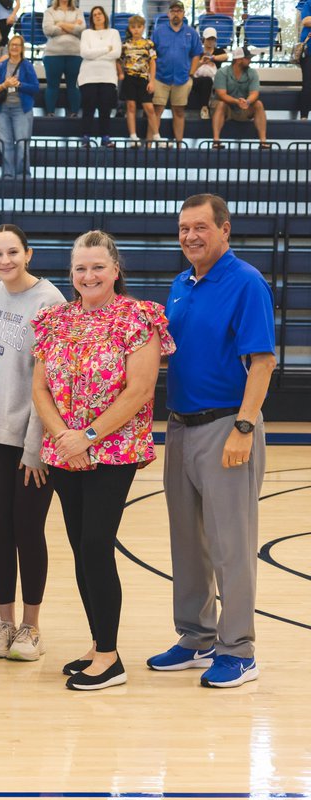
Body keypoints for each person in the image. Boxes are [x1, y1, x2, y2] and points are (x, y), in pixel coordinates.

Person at [33, 230, 173, 691]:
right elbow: (40, 388)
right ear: (70, 273)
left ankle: (111, 658)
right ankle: (98, 645)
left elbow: (140, 390)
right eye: (80, 268)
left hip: (113, 450)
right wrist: (63, 437)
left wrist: (88, 436)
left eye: (97, 266)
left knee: (95, 542)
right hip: (65, 449)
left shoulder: (137, 317)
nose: (88, 275)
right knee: (80, 546)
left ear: (115, 270)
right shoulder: (54, 319)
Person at [149, 194, 275, 689]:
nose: (190, 236)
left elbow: (262, 363)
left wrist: (244, 428)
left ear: (225, 229)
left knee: (231, 546)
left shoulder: (246, 282)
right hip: (179, 426)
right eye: (183, 228)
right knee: (187, 542)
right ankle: (195, 637)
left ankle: (238, 650)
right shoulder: (180, 285)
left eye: (201, 227)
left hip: (228, 425)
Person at [0, 224, 65, 662]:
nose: (4, 260)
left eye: (12, 252)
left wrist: (35, 446)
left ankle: (31, 626)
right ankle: (5, 622)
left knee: (28, 530)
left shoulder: (50, 302)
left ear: (29, 254)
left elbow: (50, 384)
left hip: (31, 440)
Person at [151, 0, 202, 147]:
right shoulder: (158, 31)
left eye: (178, 11)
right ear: (168, 14)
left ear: (183, 14)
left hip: (182, 79)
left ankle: (179, 145)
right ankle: (149, 145)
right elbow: (151, 55)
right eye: (173, 11)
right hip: (160, 77)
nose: (175, 14)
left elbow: (196, 54)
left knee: (179, 111)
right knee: (157, 110)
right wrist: (152, 76)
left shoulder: (191, 33)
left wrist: (191, 75)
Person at [0, 35, 40, 179]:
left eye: (17, 45)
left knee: (22, 143)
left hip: (21, 109)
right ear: (8, 47)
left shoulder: (27, 65)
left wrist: (19, 85)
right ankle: (7, 173)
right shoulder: (1, 66)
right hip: (3, 109)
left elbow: (35, 88)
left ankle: (23, 174)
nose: (14, 47)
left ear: (22, 48)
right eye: (12, 44)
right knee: (5, 143)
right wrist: (4, 85)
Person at [211, 48, 270, 149]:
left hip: (244, 107)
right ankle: (216, 140)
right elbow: (221, 94)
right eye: (247, 58)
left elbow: (254, 93)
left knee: (258, 104)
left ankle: (263, 141)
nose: (250, 60)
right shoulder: (222, 72)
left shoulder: (252, 73)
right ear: (238, 60)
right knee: (220, 104)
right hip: (227, 107)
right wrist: (236, 101)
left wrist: (247, 101)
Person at [78, 6, 121, 148]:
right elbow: (85, 53)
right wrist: (106, 49)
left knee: (105, 109)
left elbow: (116, 54)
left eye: (100, 13)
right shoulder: (86, 33)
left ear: (104, 16)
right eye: (94, 14)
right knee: (88, 108)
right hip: (88, 77)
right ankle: (85, 138)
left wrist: (95, 54)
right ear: (91, 18)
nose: (97, 16)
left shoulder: (114, 33)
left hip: (108, 77)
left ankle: (105, 138)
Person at [118, 15, 159, 146]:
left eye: (139, 27)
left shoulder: (149, 44)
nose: (136, 30)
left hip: (143, 79)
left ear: (143, 28)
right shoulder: (125, 45)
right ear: (129, 28)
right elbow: (118, 60)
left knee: (149, 108)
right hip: (129, 78)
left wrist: (152, 81)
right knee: (131, 107)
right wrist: (120, 73)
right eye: (133, 27)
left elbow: (152, 63)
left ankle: (157, 136)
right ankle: (133, 137)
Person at [42, 0, 84, 117]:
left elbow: (81, 30)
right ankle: (50, 113)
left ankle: (74, 113)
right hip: (52, 54)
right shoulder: (49, 11)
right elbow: (48, 30)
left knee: (73, 85)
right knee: (52, 86)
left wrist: (60, 24)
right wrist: (73, 25)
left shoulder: (78, 11)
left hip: (75, 54)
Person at [189, 28, 226, 120]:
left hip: (214, 81)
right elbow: (191, 69)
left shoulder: (219, 51)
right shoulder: (197, 52)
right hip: (198, 80)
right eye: (208, 39)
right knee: (206, 80)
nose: (210, 41)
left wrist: (212, 58)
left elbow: (225, 56)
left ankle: (207, 107)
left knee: (210, 81)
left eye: (212, 39)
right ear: (203, 39)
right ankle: (205, 107)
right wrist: (202, 62)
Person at [297, 0, 311, 120]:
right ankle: (304, 117)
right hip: (309, 51)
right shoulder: (308, 3)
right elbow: (306, 21)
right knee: (308, 85)